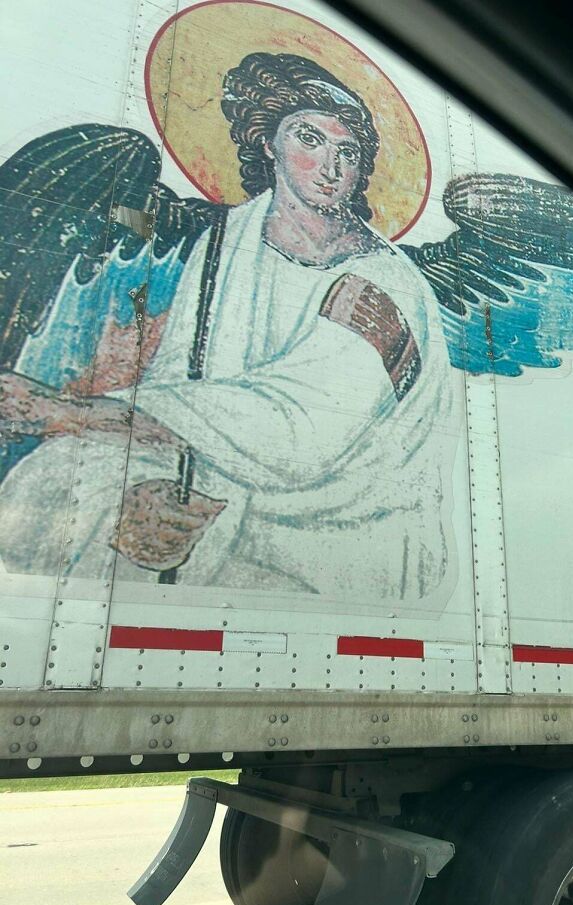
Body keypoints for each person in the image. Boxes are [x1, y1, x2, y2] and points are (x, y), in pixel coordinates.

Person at [0, 53, 456, 603]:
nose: (330, 167)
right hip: (219, 475)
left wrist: (72, 414)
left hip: (334, 526)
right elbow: (183, 379)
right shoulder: (223, 243)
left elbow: (300, 433)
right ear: (269, 143)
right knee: (51, 481)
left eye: (348, 152)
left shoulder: (380, 284)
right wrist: (144, 485)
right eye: (309, 139)